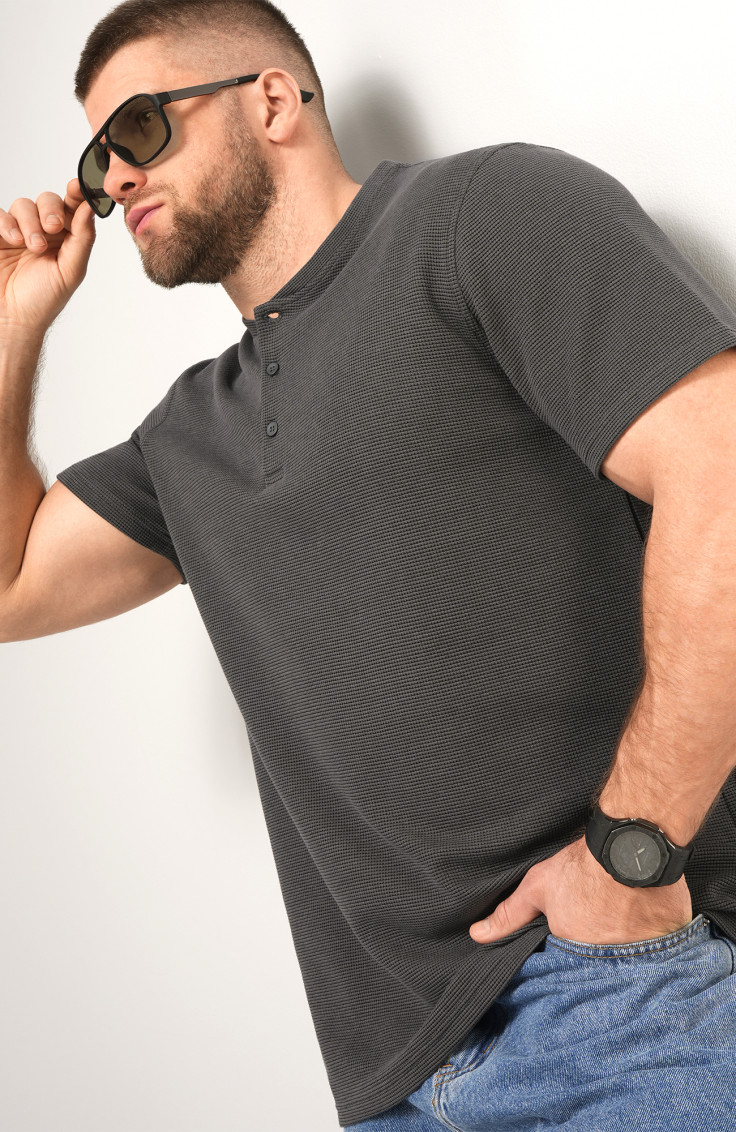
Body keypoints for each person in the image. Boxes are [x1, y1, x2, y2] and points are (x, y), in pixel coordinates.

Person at [2, 1, 736, 1128]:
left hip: (625, 1007)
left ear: (271, 99)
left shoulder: (479, 214)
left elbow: (720, 472)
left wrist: (631, 857)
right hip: (396, 1079)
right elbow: (10, 586)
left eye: (139, 128)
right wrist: (15, 326)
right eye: (98, 161)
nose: (115, 177)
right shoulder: (186, 438)